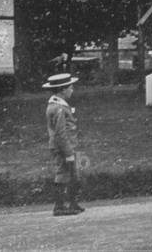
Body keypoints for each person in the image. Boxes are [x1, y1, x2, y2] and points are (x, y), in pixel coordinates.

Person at [43, 73, 84, 217]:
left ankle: (72, 203)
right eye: (70, 88)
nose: (72, 90)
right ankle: (59, 206)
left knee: (73, 174)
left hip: (66, 146)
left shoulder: (58, 105)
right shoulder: (58, 108)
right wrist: (68, 153)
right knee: (63, 174)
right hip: (63, 147)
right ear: (62, 90)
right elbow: (60, 134)